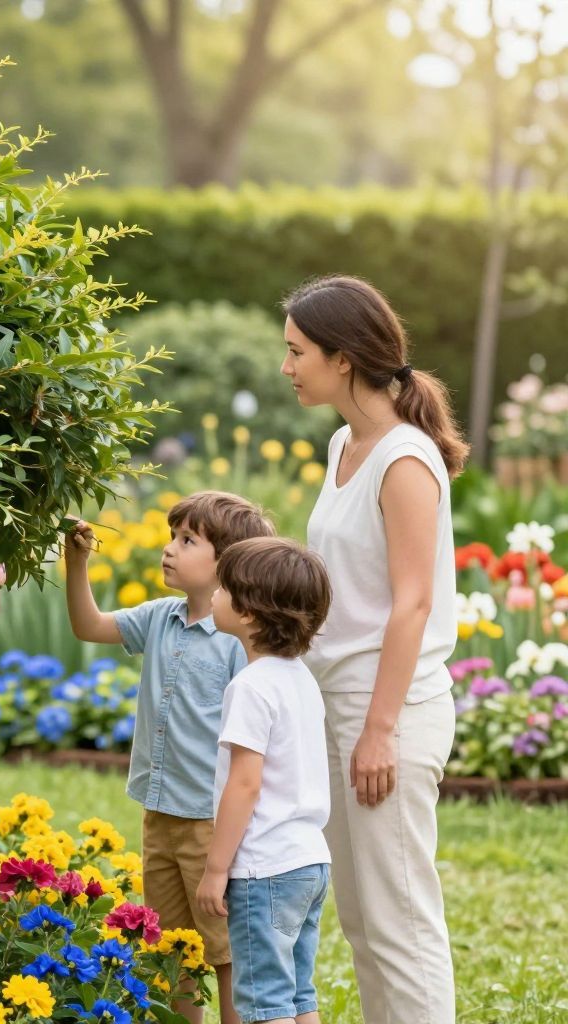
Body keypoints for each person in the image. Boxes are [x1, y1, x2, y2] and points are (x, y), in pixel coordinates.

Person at [281, 275, 467, 1024]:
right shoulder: (343, 444)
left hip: (388, 713)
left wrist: (379, 731)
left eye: (297, 353)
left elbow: (412, 603)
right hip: (338, 704)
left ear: (344, 360)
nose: (288, 367)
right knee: (361, 921)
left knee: (401, 925)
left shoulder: (403, 460)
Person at [66, 491, 274, 1024]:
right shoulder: (159, 617)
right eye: (171, 537)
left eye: (187, 541)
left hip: (209, 821)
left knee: (224, 952)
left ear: (227, 562)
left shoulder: (238, 641)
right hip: (159, 815)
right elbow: (88, 626)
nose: (169, 549)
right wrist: (77, 562)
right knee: (170, 948)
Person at [196, 536, 334, 1024]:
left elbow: (245, 785)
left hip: (263, 869)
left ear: (250, 614)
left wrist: (216, 869)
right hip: (309, 863)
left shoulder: (250, 687)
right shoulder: (301, 679)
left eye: (224, 587)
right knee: (299, 995)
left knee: (263, 1003)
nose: (214, 593)